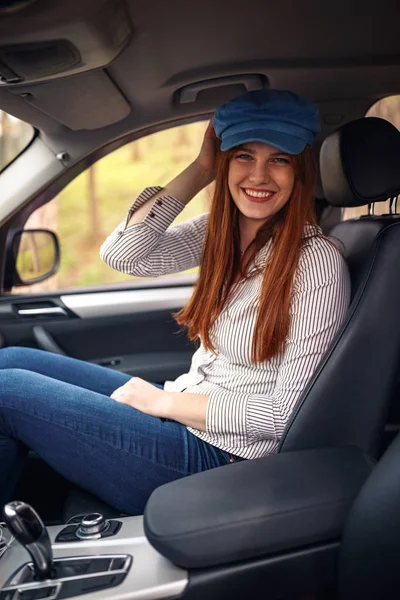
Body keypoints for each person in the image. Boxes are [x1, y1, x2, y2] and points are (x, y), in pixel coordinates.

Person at [0, 89, 350, 515]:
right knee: (13, 359)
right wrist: (201, 169)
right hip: (189, 414)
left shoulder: (315, 263)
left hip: (225, 456)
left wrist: (163, 404)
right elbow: (124, 254)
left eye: (279, 159)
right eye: (243, 155)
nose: (259, 176)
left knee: (6, 391)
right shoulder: (223, 232)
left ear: (300, 171)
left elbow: (284, 414)